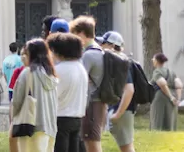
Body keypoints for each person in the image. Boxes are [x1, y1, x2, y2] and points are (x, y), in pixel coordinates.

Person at [10, 39, 57, 152]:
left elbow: (16, 101)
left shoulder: (27, 73)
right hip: (50, 127)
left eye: (25, 53)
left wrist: (13, 118)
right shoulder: (51, 75)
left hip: (31, 126)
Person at [68, 16, 105, 152]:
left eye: (75, 34)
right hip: (97, 101)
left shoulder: (88, 55)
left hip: (91, 102)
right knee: (91, 141)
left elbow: (78, 78)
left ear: (82, 33)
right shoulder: (99, 51)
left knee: (92, 142)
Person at [46, 32, 86, 152]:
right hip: (77, 117)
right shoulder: (80, 68)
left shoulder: (59, 70)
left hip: (61, 117)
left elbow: (52, 95)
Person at [97, 32, 136, 152]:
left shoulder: (120, 62)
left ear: (112, 46)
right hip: (122, 109)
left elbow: (129, 90)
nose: (101, 46)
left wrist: (117, 114)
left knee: (126, 147)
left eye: (104, 43)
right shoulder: (120, 61)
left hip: (122, 110)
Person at [148, 54, 181, 131]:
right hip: (173, 95)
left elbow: (162, 84)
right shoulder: (171, 72)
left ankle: (156, 133)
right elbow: (179, 85)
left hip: (160, 97)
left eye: (153, 59)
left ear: (156, 61)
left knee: (157, 118)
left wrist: (171, 97)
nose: (152, 61)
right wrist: (178, 99)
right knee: (170, 119)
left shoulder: (157, 71)